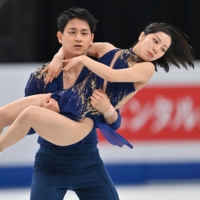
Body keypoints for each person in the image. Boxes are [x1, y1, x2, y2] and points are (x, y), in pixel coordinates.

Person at [0, 13, 194, 200]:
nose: (156, 49)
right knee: (4, 113)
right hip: (63, 100)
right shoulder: (107, 49)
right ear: (142, 35)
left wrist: (84, 60)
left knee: (30, 113)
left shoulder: (146, 68)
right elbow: (76, 47)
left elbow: (113, 75)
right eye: (156, 41)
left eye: (162, 50)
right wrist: (58, 58)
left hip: (83, 121)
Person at [0, 7, 121, 200]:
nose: (78, 38)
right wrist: (46, 116)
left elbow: (115, 123)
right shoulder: (41, 77)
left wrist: (107, 108)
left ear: (92, 39)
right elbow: (27, 127)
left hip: (89, 162)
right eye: (72, 32)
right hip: (50, 164)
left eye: (84, 33)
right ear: (60, 36)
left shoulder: (100, 76)